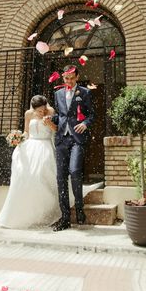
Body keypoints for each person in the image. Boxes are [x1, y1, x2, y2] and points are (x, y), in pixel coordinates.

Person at [0, 95, 61, 229]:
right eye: (39, 110)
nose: (42, 112)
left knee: (40, 176)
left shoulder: (51, 111)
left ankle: (45, 212)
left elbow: (56, 129)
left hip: (45, 146)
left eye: (44, 109)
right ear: (33, 108)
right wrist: (18, 138)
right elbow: (27, 132)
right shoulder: (28, 114)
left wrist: (48, 123)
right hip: (30, 147)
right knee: (25, 178)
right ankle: (27, 213)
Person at [51, 65, 95, 231]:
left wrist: (85, 123)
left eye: (71, 78)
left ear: (77, 77)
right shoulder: (58, 94)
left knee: (75, 171)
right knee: (61, 178)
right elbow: (61, 116)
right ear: (63, 78)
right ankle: (65, 218)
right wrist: (50, 118)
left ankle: (79, 207)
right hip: (62, 139)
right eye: (66, 78)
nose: (68, 81)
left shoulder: (85, 93)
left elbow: (91, 114)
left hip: (77, 139)